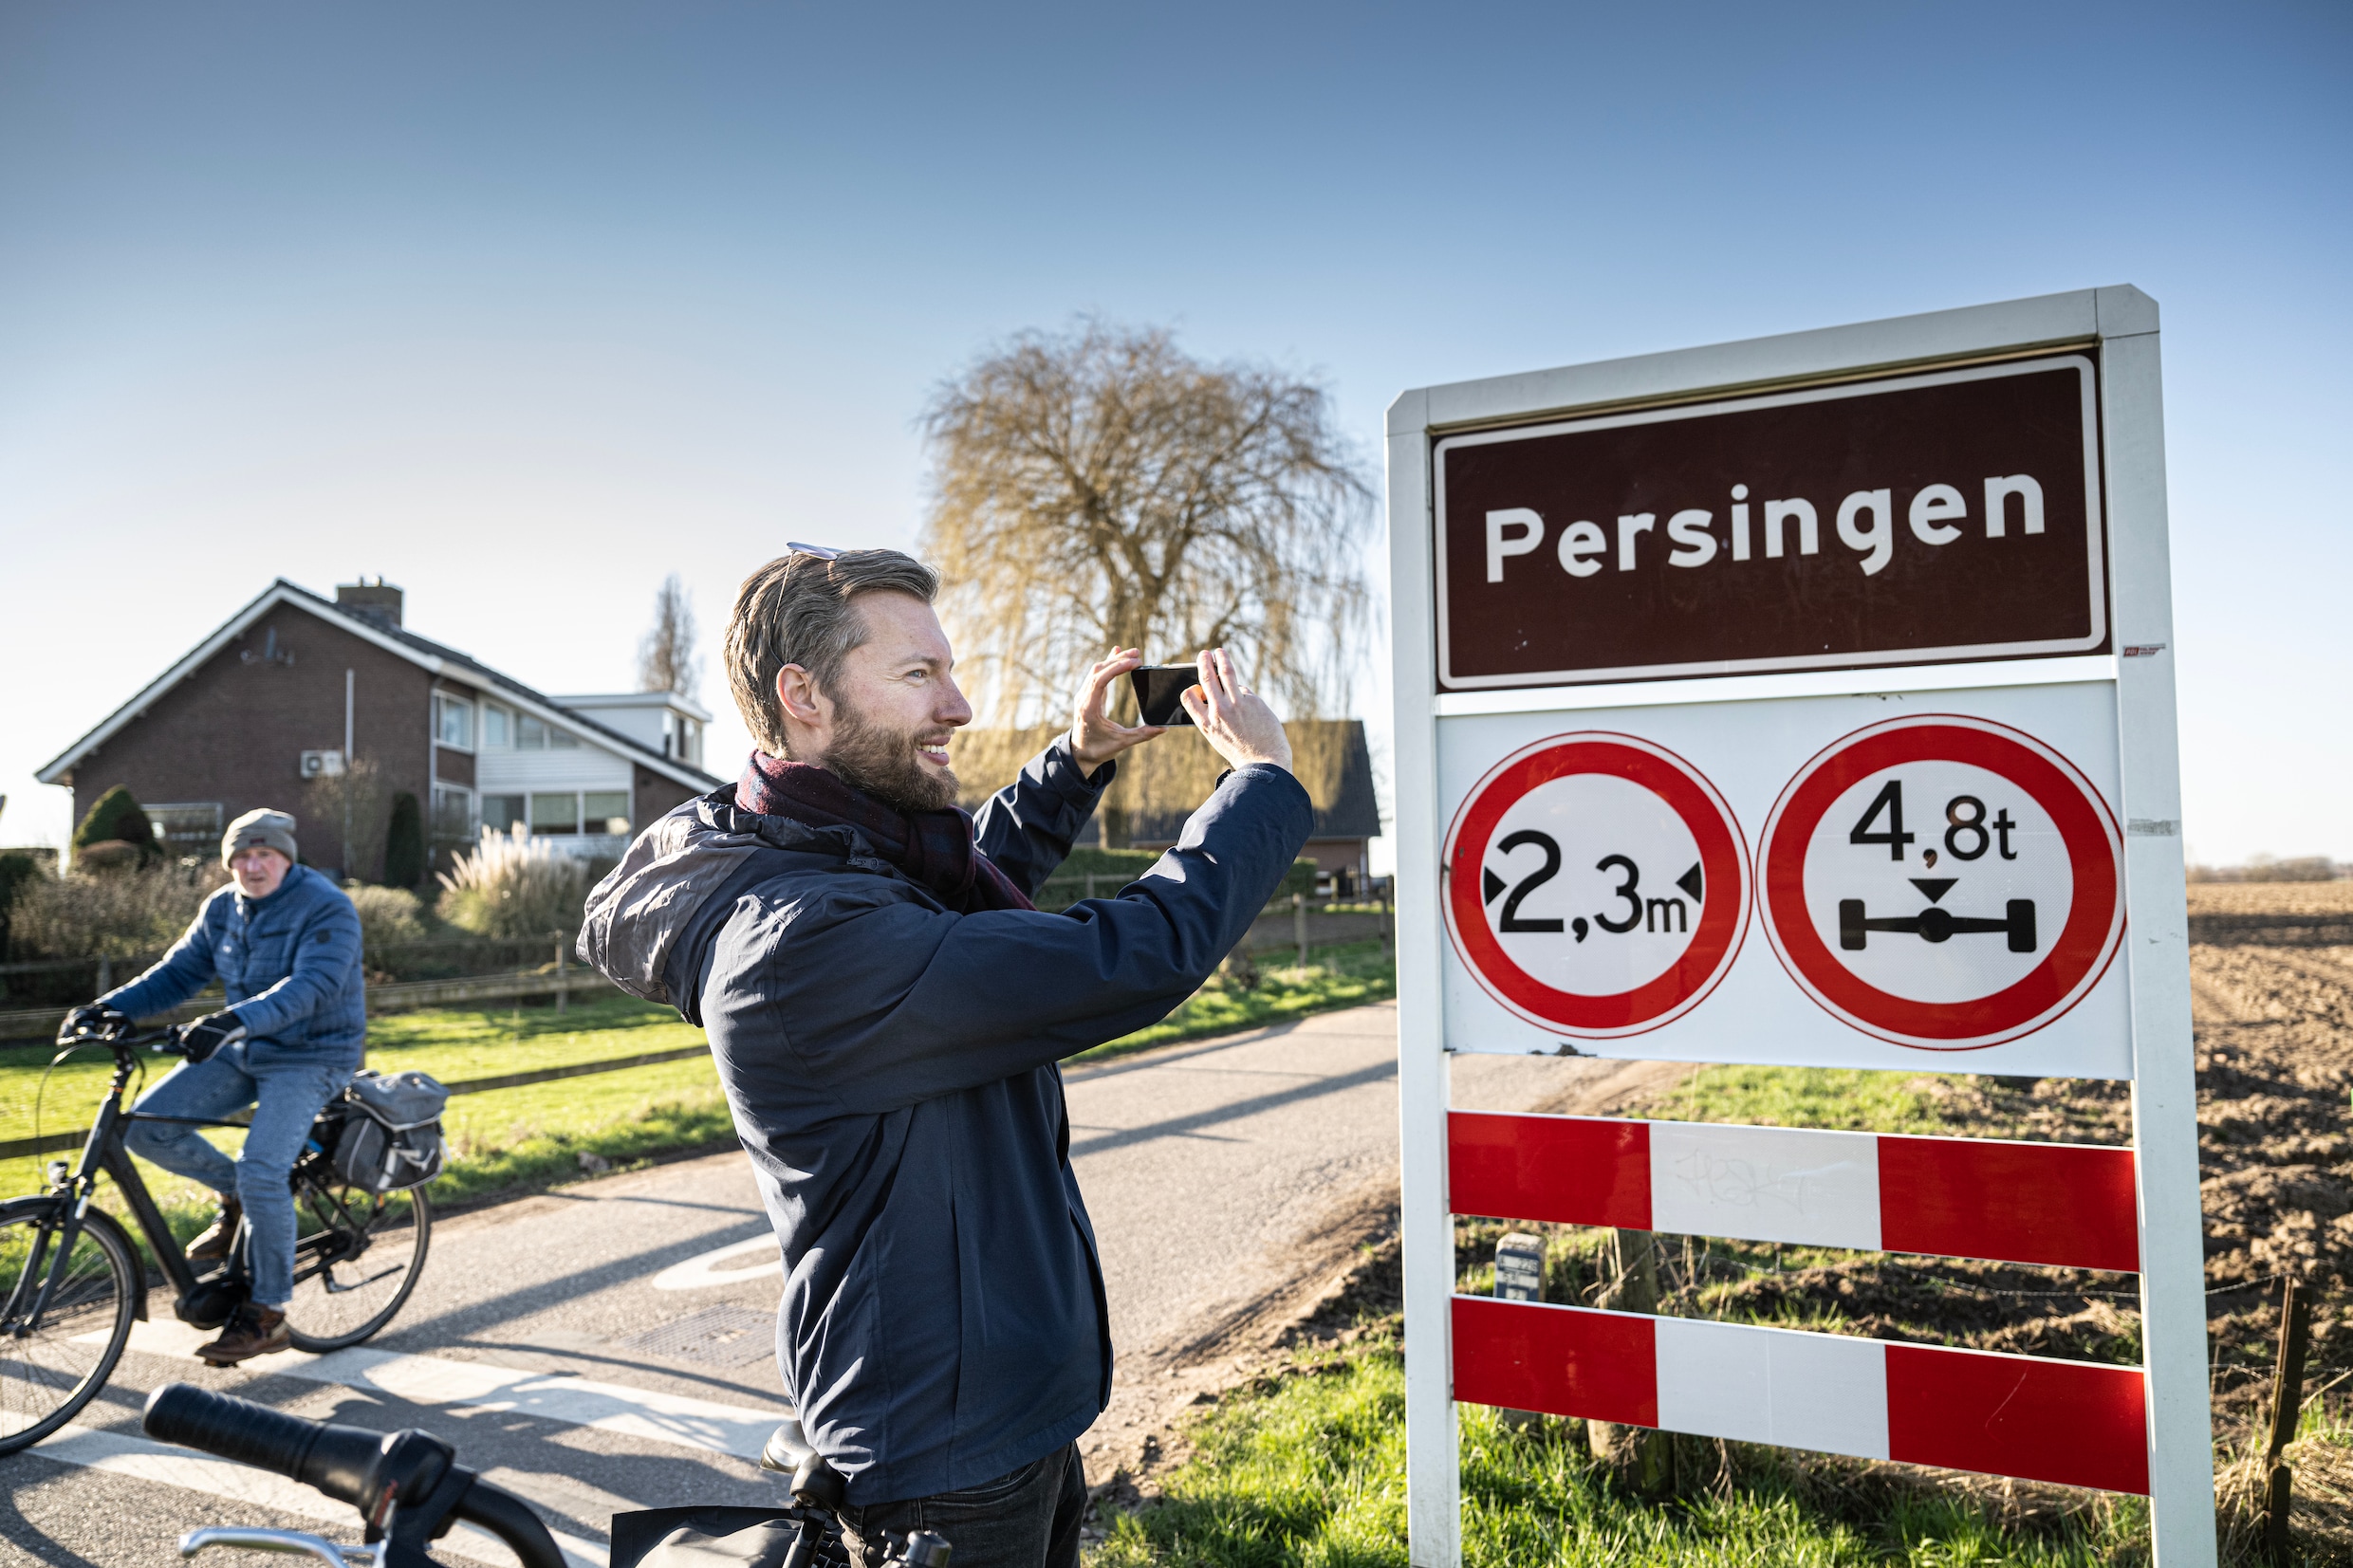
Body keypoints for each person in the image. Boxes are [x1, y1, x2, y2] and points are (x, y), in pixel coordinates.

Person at [580, 548, 1310, 1568]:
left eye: (949, 671)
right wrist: (1263, 784)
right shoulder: (803, 936)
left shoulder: (835, 852)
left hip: (1005, 1415)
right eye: (919, 675)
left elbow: (967, 878)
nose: (959, 705)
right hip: (946, 1463)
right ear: (804, 697)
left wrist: (1078, 759)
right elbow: (1132, 953)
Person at [59, 807, 365, 1365]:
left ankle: (267, 1314)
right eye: (240, 857)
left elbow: (314, 986)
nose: (252, 866)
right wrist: (104, 1008)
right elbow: (178, 972)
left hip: (313, 1054)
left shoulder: (327, 906)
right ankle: (238, 1199)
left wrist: (231, 1021)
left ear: (285, 858)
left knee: (262, 1169)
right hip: (246, 1046)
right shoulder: (222, 908)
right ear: (228, 864)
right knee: (149, 1131)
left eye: (263, 854)